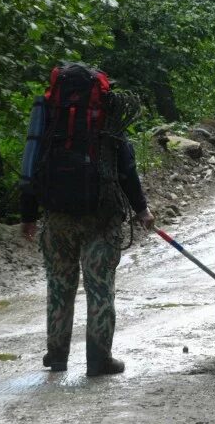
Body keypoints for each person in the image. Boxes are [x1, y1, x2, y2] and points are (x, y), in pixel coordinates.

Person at [20, 63, 154, 376]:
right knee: (100, 288)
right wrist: (141, 209)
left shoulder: (49, 113)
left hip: (57, 217)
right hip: (101, 215)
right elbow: (126, 169)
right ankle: (98, 359)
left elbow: (30, 164)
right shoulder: (108, 113)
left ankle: (57, 356)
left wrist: (28, 216)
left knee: (59, 286)